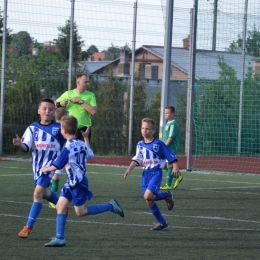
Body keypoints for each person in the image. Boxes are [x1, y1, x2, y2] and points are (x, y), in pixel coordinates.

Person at [43, 115, 124, 247]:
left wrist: (46, 169)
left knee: (81, 212)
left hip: (78, 183)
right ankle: (60, 238)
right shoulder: (80, 143)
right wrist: (86, 138)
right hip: (72, 182)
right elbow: (91, 154)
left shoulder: (67, 147)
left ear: (63, 130)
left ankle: (111, 206)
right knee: (60, 206)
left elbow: (57, 165)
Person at [13, 98, 66, 239]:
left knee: (37, 194)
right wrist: (19, 144)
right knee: (44, 193)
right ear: (39, 111)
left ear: (54, 112)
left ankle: (28, 227)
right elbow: (26, 147)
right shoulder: (32, 128)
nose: (47, 111)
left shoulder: (58, 128)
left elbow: (67, 144)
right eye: (44, 109)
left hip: (50, 168)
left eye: (50, 109)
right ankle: (62, 205)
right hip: (37, 168)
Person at [124, 117, 179, 231]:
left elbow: (169, 154)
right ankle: (162, 222)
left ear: (153, 131)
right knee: (149, 200)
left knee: (148, 196)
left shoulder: (158, 144)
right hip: (146, 174)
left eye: (147, 129)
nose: (144, 131)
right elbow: (137, 159)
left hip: (156, 173)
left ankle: (166, 195)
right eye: (143, 128)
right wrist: (129, 169)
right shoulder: (140, 144)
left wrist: (175, 165)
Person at [55, 73, 97, 141]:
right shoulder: (68, 94)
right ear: (78, 82)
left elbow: (93, 111)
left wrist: (80, 101)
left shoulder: (90, 95)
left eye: (88, 82)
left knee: (82, 151)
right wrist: (60, 104)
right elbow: (53, 104)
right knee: (70, 150)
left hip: (84, 130)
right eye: (85, 82)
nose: (88, 84)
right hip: (69, 129)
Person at [48, 107, 69, 209]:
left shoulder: (51, 125)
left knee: (51, 177)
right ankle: (53, 201)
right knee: (55, 176)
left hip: (49, 156)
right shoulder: (62, 128)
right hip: (59, 156)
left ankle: (50, 193)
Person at [160, 106, 183, 190]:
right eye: (165, 113)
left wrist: (164, 146)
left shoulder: (173, 124)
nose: (165, 114)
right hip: (167, 148)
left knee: (169, 164)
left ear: (172, 114)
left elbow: (171, 137)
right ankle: (178, 177)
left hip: (171, 148)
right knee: (165, 165)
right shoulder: (167, 123)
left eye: (167, 113)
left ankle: (168, 184)